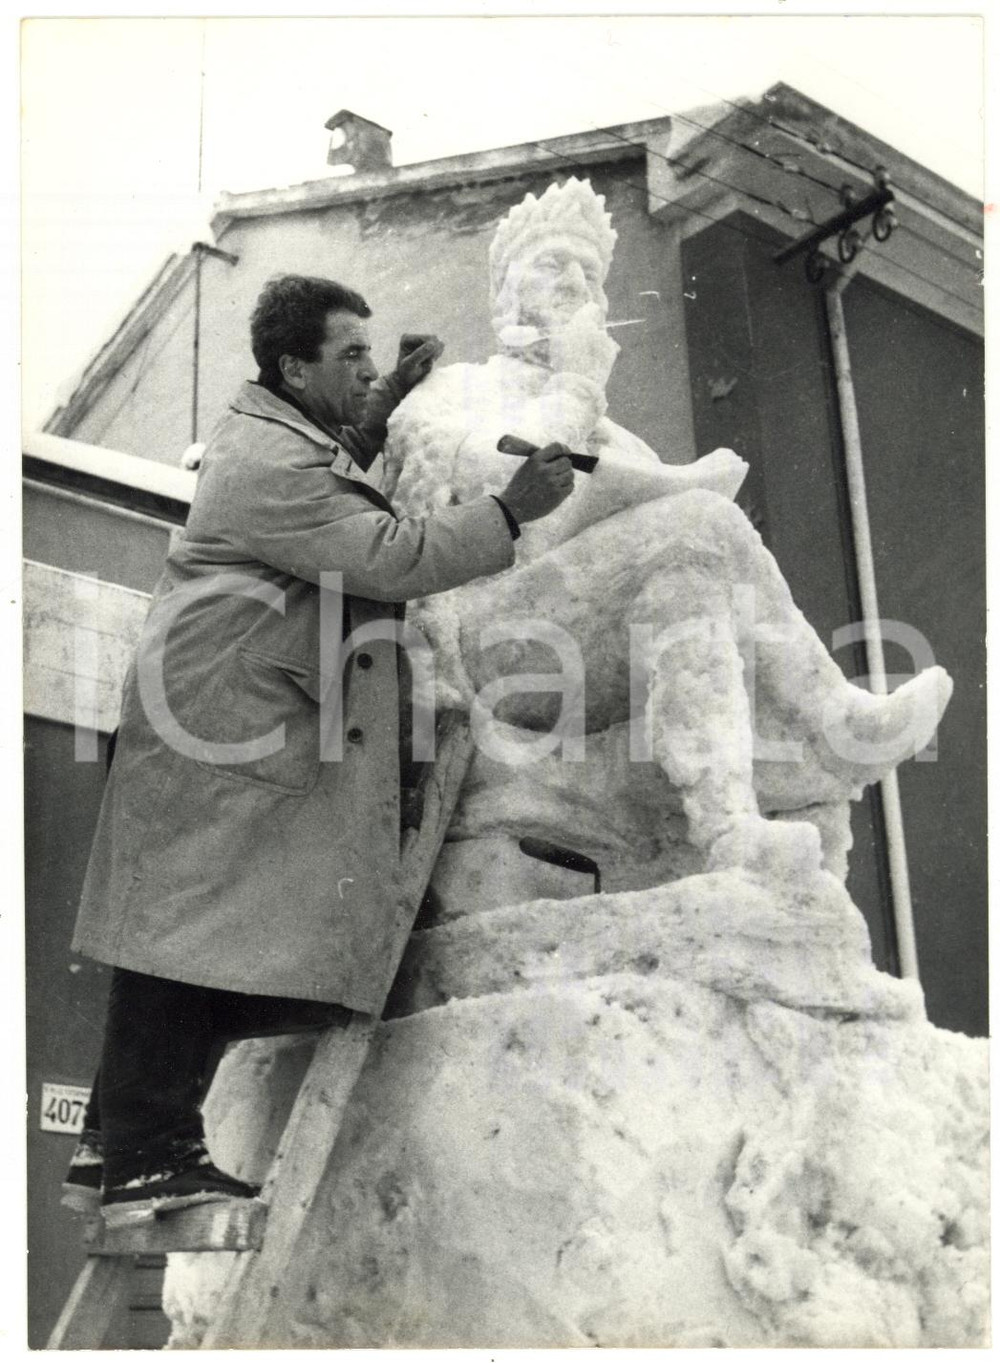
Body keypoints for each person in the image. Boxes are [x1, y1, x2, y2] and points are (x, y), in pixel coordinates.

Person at [64, 273, 577, 1227]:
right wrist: (509, 512)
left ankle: (117, 1142)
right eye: (352, 354)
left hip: (228, 718)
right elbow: (384, 551)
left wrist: (387, 395)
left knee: (196, 930)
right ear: (293, 368)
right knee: (187, 935)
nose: (368, 366)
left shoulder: (277, 436)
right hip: (223, 725)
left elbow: (334, 471)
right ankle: (143, 1152)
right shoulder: (268, 463)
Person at [383, 178, 952, 870]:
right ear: (505, 294)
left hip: (584, 643)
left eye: (589, 273)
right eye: (553, 263)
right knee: (695, 525)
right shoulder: (453, 389)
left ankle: (734, 821)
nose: (576, 282)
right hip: (486, 638)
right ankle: (830, 725)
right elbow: (492, 485)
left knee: (700, 534)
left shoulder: (615, 432)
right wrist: (576, 386)